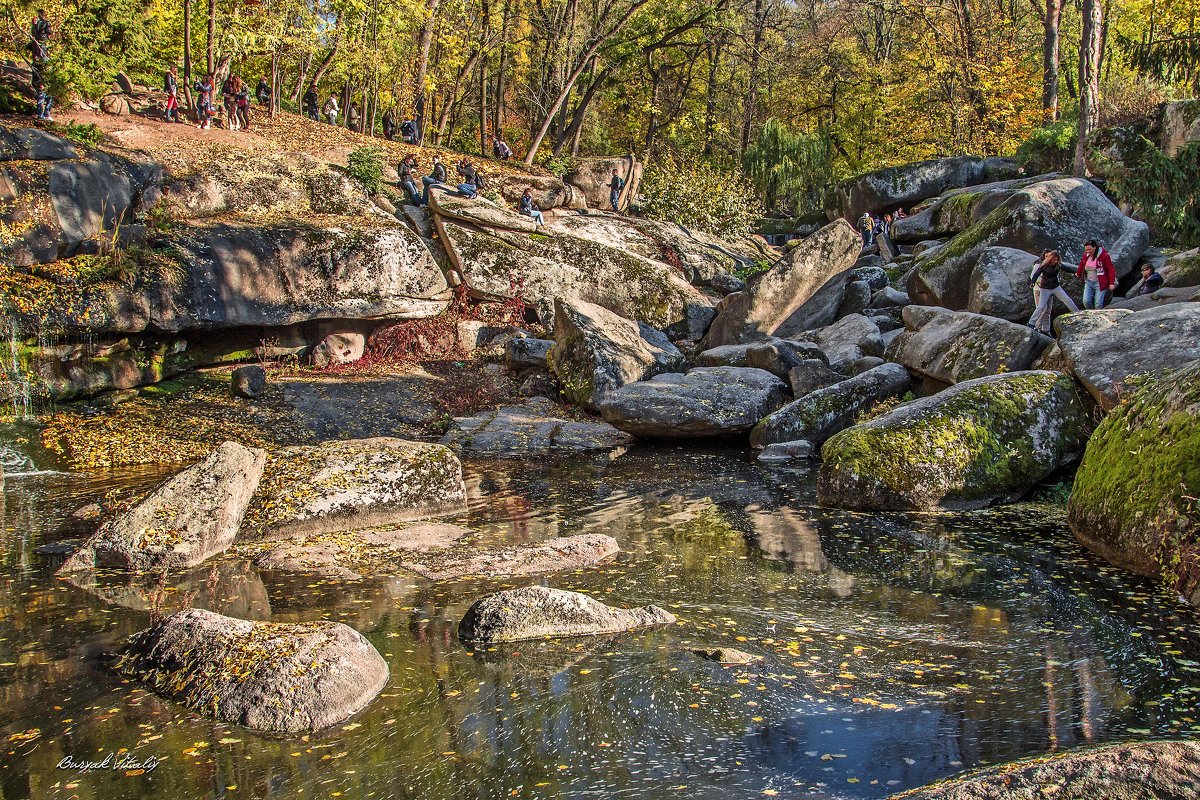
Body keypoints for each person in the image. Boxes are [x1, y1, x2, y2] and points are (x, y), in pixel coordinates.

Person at [1027, 249, 1079, 333]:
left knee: (1067, 300)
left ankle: (1078, 313)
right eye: (1054, 260)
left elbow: (1067, 268)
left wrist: (1076, 272)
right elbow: (1036, 274)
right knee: (1041, 306)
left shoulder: (1058, 265)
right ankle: (1031, 323)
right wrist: (1032, 282)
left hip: (1056, 287)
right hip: (1045, 288)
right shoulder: (1044, 265)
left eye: (1057, 260)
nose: (1055, 261)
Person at [1076, 239, 1116, 309]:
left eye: (1089, 249)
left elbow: (1111, 269)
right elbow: (1082, 265)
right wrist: (1078, 273)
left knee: (1098, 304)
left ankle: (1099, 317)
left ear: (1095, 247)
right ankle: (1091, 314)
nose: (1087, 251)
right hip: (1088, 282)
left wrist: (1111, 283)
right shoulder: (1086, 255)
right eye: (1086, 250)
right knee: (1086, 301)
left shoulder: (1104, 256)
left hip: (1100, 283)